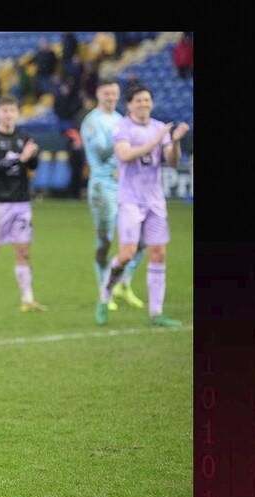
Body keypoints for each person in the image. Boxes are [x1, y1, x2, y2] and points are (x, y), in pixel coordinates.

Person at [94, 83, 189, 327]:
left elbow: (171, 160)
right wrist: (156, 141)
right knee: (126, 255)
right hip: (130, 201)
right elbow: (124, 155)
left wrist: (175, 142)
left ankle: (156, 313)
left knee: (158, 253)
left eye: (147, 100)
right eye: (139, 100)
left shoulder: (160, 128)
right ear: (130, 104)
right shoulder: (122, 127)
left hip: (155, 202)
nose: (144, 104)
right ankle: (104, 297)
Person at [0, 94, 47, 314]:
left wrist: (33, 155)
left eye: (12, 111)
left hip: (21, 201)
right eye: (4, 111)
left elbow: (33, 164)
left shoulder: (23, 136)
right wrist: (21, 159)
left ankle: (27, 299)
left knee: (23, 250)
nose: (8, 115)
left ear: (17, 113)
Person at [81, 78, 146, 313]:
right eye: (107, 93)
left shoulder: (119, 119)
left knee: (140, 241)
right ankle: (104, 290)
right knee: (105, 242)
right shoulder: (92, 121)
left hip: (124, 187)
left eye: (114, 94)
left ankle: (123, 283)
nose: (111, 98)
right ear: (98, 93)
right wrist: (122, 138)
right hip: (102, 188)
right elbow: (99, 151)